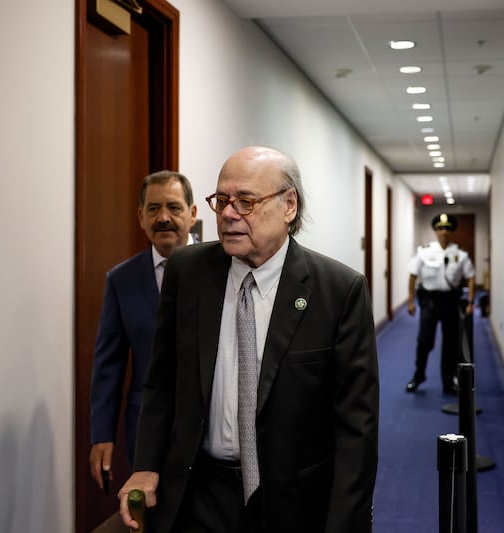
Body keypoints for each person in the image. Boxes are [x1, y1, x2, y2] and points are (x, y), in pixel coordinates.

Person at [117, 146, 379, 533]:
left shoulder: (339, 291)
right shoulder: (187, 272)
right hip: (198, 493)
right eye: (222, 200)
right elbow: (161, 382)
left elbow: (357, 428)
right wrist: (145, 465)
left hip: (291, 501)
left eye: (245, 201)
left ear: (289, 205)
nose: (226, 214)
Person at [89, 170, 198, 492]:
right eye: (153, 209)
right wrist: (102, 434)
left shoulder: (223, 269)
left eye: (174, 207)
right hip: (146, 428)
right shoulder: (121, 280)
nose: (163, 218)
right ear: (140, 217)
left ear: (192, 214)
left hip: (210, 425)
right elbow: (108, 364)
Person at [405, 213, 475, 395]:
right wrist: (411, 301)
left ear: (452, 232)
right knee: (424, 341)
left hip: (450, 302)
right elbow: (413, 275)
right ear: (435, 231)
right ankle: (418, 375)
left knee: (450, 343)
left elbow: (470, 277)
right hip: (429, 301)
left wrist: (470, 302)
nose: (444, 232)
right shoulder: (425, 251)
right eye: (440, 229)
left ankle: (448, 380)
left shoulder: (460, 254)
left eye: (447, 229)